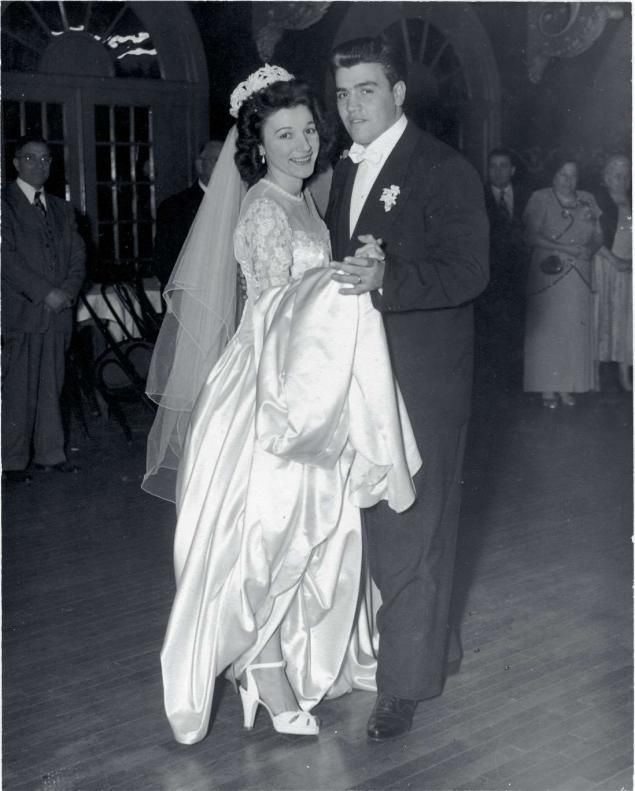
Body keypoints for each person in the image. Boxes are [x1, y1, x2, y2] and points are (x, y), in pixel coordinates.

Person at [143, 65, 421, 745]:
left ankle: (278, 659)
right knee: (265, 532)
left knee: (308, 526)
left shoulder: (304, 203)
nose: (301, 144)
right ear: (257, 145)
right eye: (283, 134)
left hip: (310, 375)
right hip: (271, 381)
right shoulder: (265, 207)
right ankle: (262, 670)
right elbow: (275, 312)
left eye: (306, 130)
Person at [325, 36, 489, 740]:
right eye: (341, 93)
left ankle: (403, 685)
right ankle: (428, 646)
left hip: (421, 380)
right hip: (360, 376)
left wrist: (386, 279)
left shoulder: (442, 168)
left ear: (398, 94)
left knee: (413, 524)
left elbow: (468, 272)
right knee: (386, 527)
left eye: (366, 90)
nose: (351, 106)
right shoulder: (343, 168)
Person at [1, 135, 86, 483]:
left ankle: (51, 454)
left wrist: (65, 292)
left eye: (46, 159)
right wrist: (44, 292)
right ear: (16, 163)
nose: (40, 165)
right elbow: (6, 259)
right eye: (31, 158)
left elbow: (78, 256)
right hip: (21, 312)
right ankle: (11, 461)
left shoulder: (62, 208)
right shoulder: (4, 205)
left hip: (57, 314)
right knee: (17, 388)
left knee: (53, 385)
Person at [522, 155, 603, 408]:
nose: (569, 181)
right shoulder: (540, 198)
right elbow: (531, 236)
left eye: (573, 175)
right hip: (549, 274)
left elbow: (600, 235)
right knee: (548, 333)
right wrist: (565, 249)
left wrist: (592, 248)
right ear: (553, 175)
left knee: (573, 333)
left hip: (579, 275)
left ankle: (568, 386)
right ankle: (548, 388)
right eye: (563, 175)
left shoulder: (588, 199)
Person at [477, 147, 531, 386]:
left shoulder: (529, 195)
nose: (498, 172)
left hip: (523, 277)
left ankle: (516, 380)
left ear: (513, 170)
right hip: (490, 278)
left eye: (503, 166)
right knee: (491, 334)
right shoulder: (477, 196)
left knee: (520, 330)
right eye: (493, 166)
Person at [152, 140, 223, 290]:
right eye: (217, 160)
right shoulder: (174, 207)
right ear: (199, 165)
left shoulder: (242, 203)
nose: (225, 168)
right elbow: (164, 265)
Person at [593, 154, 632, 391]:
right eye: (618, 173)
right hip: (605, 264)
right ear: (606, 177)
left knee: (627, 321)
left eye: (627, 174)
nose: (624, 178)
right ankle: (595, 376)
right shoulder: (596, 200)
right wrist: (613, 259)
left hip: (629, 268)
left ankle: (624, 375)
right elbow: (591, 236)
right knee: (602, 318)